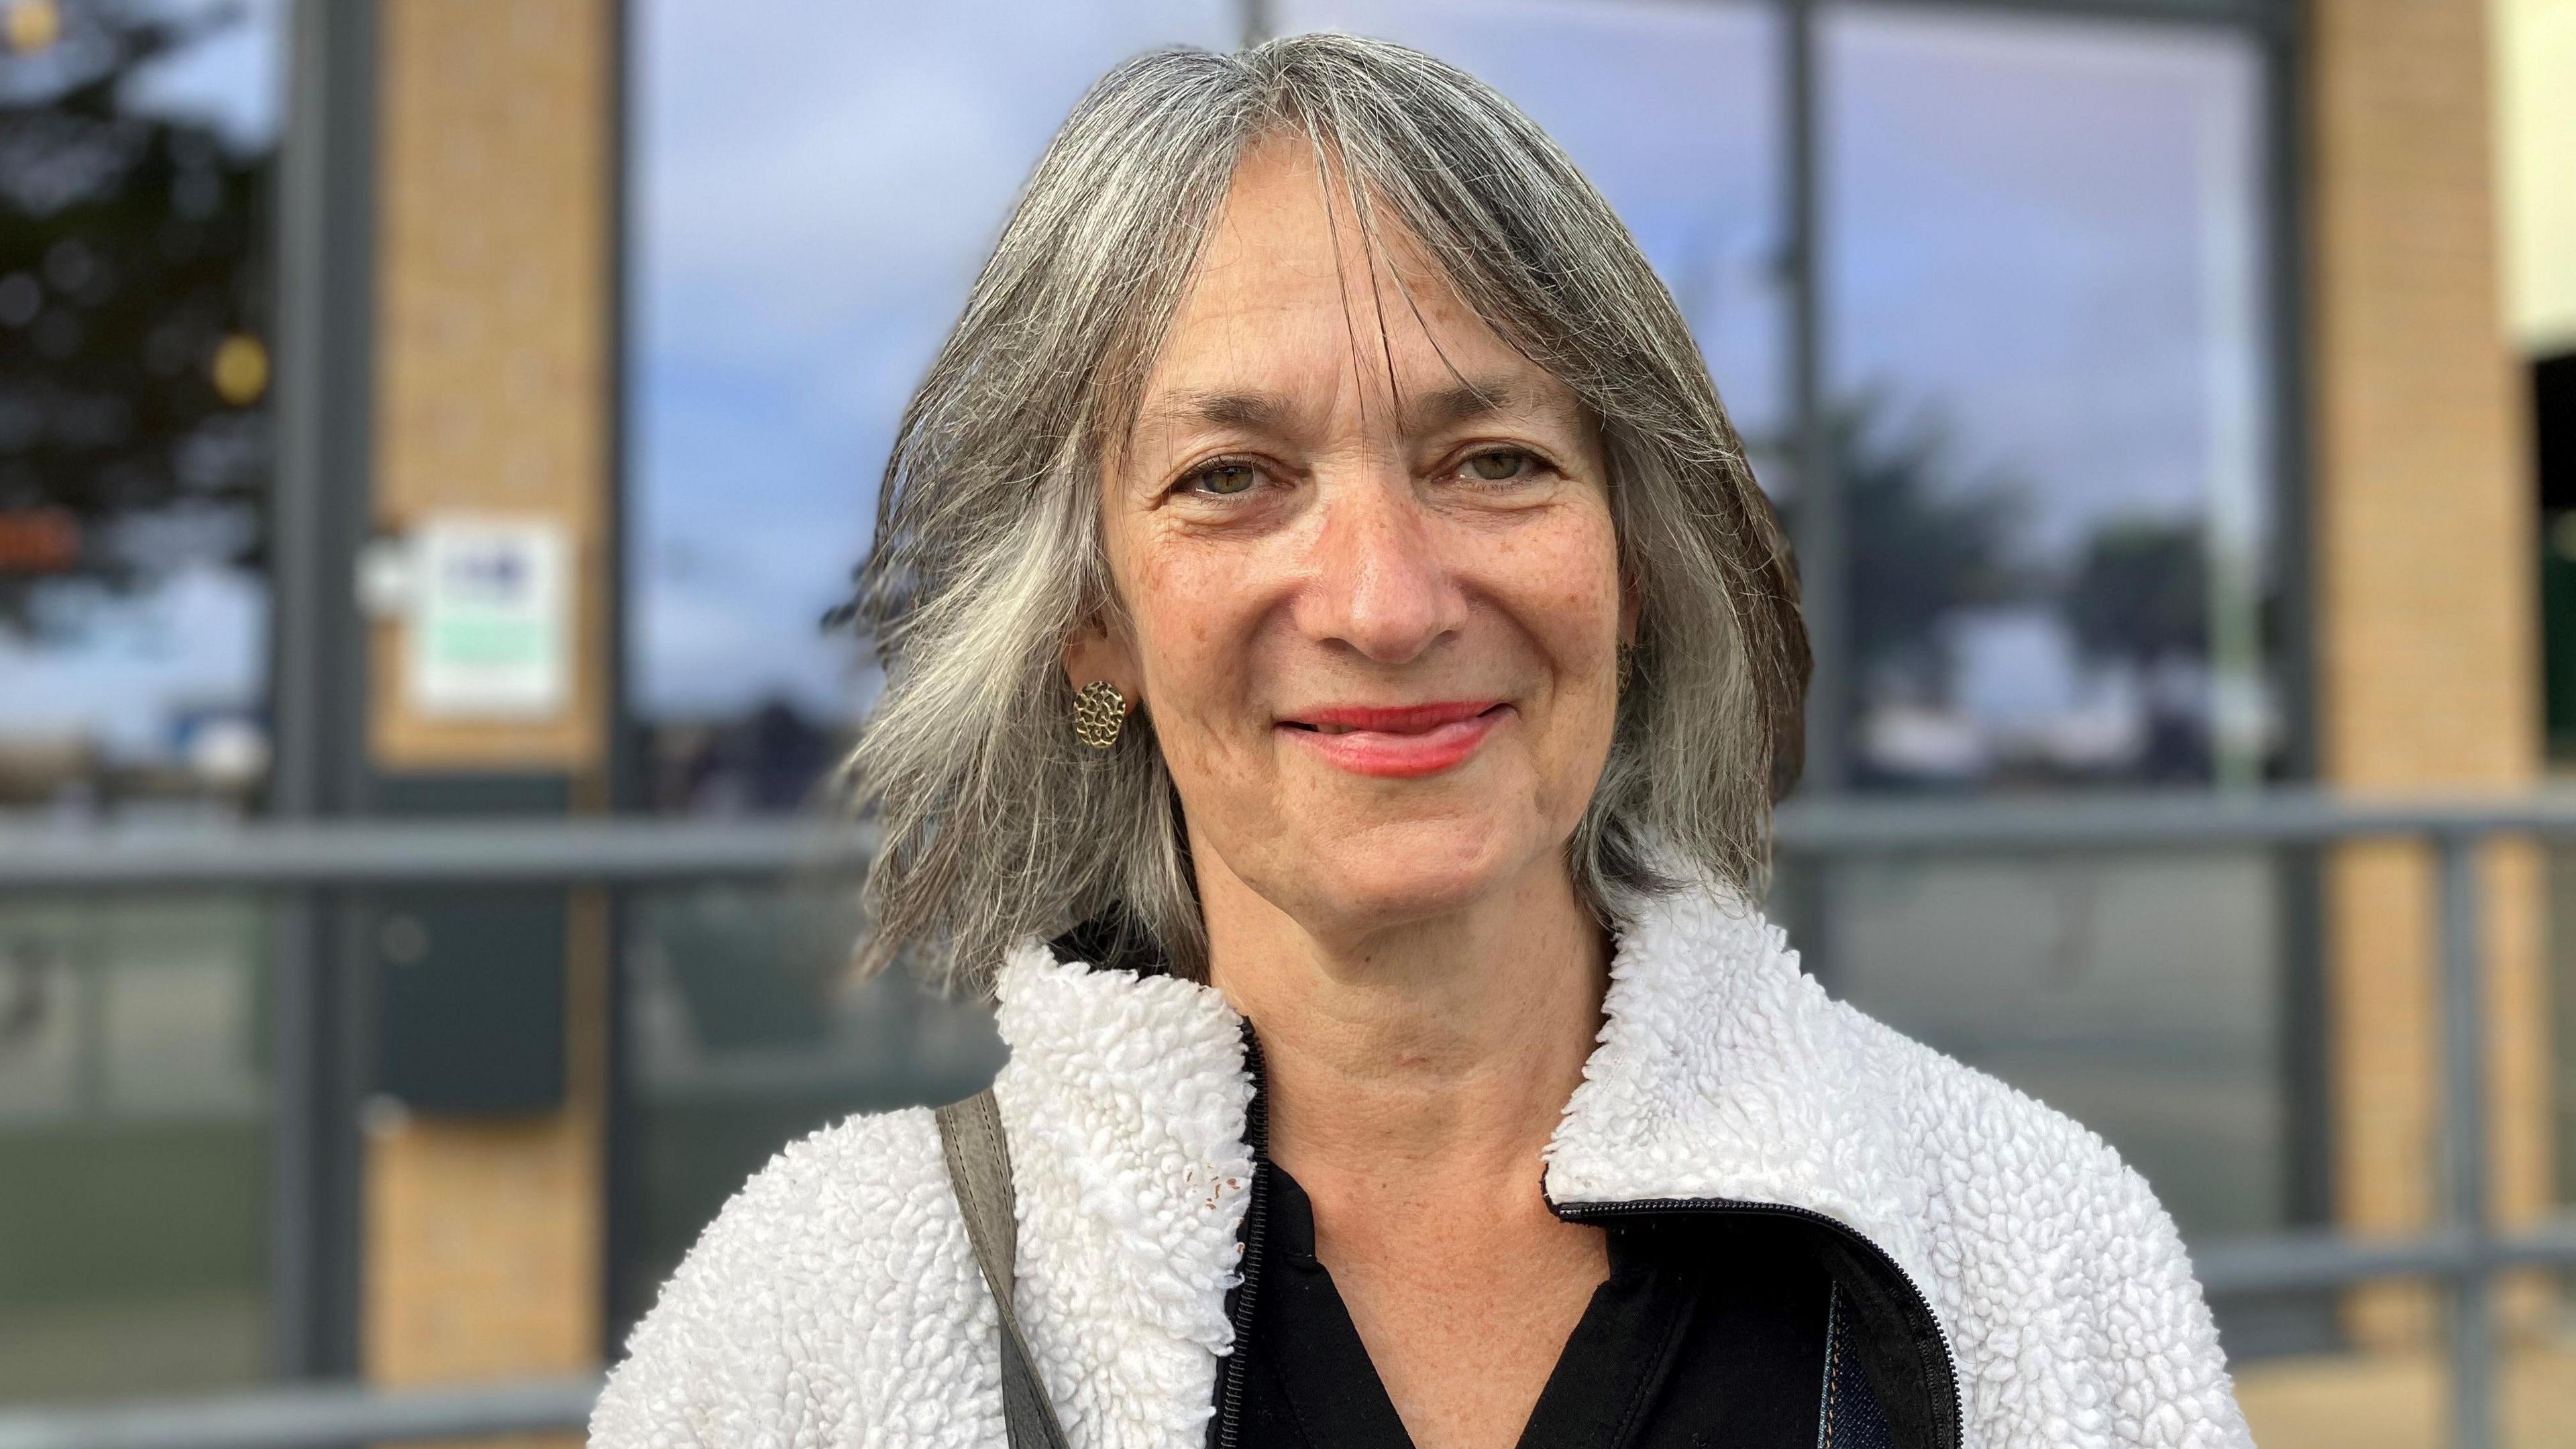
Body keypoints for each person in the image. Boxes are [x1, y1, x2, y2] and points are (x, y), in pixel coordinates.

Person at [592, 34, 2249, 1449]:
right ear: (1093, 627)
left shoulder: (2030, 1248)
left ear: (1636, 567)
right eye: (1231, 478)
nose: (1385, 604)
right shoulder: (819, 1316)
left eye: (1493, 461)